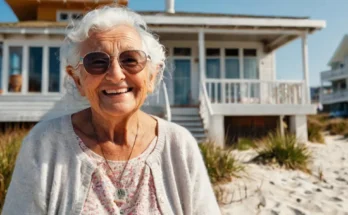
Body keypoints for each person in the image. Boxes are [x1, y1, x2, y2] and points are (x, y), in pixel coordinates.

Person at [2, 5, 220, 215]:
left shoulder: (179, 146)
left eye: (130, 60)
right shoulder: (43, 146)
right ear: (77, 80)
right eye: (97, 62)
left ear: (152, 77)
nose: (116, 75)